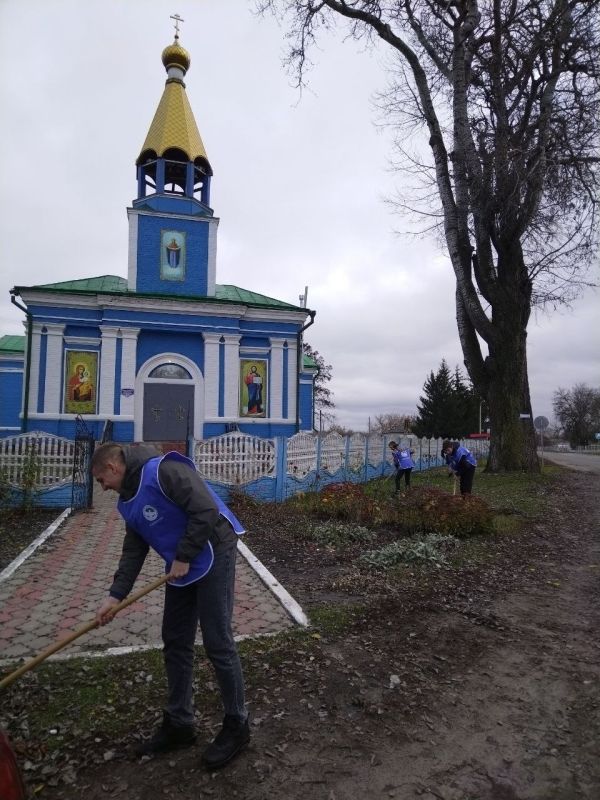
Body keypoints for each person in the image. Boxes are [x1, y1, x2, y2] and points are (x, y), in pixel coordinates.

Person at [91, 442, 249, 769]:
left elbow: (205, 509)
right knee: (175, 640)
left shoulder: (163, 470)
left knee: (218, 641)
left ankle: (238, 724)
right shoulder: (126, 501)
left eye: (100, 480)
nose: (102, 488)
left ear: (112, 468)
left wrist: (183, 555)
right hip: (182, 561)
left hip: (213, 549)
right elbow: (133, 551)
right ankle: (180, 723)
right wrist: (115, 597)